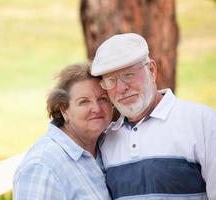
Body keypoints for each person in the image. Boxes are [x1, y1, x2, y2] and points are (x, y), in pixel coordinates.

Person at [91, 33, 216, 200]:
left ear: (152, 70)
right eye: (111, 80)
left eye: (128, 75)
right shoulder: (105, 140)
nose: (121, 88)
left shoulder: (203, 123)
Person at [13, 63, 113, 199]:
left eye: (103, 99)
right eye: (83, 102)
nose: (96, 108)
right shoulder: (42, 166)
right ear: (63, 109)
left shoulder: (107, 148)